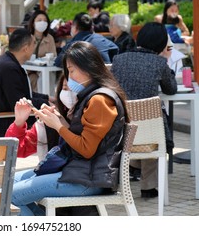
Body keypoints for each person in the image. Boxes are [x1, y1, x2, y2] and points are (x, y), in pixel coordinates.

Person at [11, 41, 129, 216]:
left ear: (88, 67)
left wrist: (58, 126)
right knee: (6, 184)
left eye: (71, 70)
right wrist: (59, 120)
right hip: (80, 174)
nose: (69, 77)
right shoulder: (94, 95)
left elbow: (87, 149)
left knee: (8, 194)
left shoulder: (100, 100)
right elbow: (83, 139)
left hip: (87, 180)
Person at [111, 22, 177, 198]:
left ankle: (133, 166)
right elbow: (171, 89)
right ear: (161, 44)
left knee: (145, 123)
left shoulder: (119, 59)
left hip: (121, 126)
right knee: (154, 123)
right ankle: (148, 186)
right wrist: (167, 63)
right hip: (149, 130)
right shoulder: (159, 63)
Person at [0, 28, 51, 137]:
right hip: (10, 123)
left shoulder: (8, 62)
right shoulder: (9, 69)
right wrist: (46, 104)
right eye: (33, 43)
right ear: (25, 48)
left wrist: (47, 98)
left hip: (13, 118)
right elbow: (20, 102)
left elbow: (23, 93)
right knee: (54, 119)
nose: (34, 47)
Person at [27, 9, 56, 91]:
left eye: (45, 20)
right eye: (39, 20)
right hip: (29, 73)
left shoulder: (50, 38)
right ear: (33, 23)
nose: (42, 22)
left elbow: (53, 56)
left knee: (47, 77)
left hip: (45, 73)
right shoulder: (27, 38)